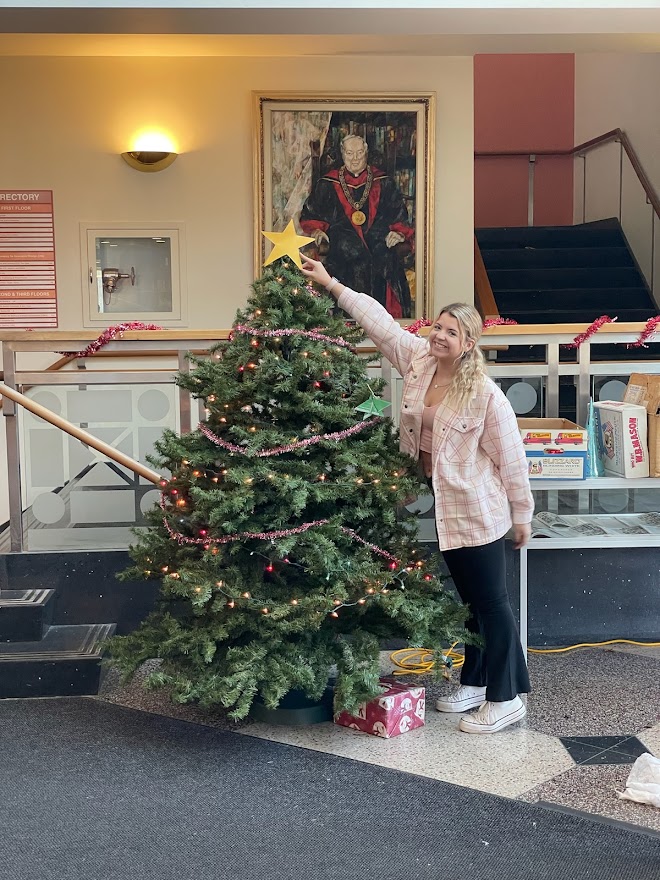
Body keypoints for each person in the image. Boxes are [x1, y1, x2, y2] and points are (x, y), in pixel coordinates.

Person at [299, 255, 535, 735]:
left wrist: (522, 515)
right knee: (469, 603)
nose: (439, 335)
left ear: (468, 344)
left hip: (481, 510)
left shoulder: (486, 395)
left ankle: (506, 697)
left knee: (492, 604)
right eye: (438, 327)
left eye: (451, 332)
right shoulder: (419, 361)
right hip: (446, 507)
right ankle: (475, 681)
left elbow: (511, 458)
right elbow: (381, 325)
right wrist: (332, 284)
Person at [300, 134, 414, 319]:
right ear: (342, 154)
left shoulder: (384, 182)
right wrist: (317, 230)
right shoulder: (327, 184)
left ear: (366, 153)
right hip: (343, 251)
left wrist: (399, 233)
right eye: (350, 153)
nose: (355, 158)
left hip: (378, 248)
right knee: (345, 258)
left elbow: (398, 214)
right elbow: (312, 214)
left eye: (359, 153)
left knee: (386, 262)